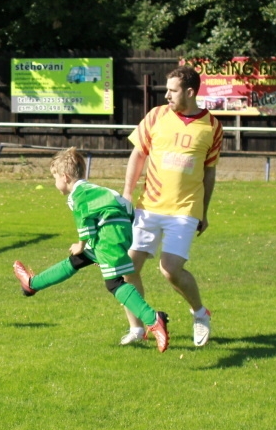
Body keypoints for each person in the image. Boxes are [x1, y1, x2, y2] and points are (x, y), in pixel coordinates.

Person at [12, 147, 170, 351]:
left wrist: (81, 243)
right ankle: (32, 283)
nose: (55, 183)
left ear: (65, 177)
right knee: (77, 260)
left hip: (109, 234)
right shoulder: (95, 189)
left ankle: (153, 319)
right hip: (117, 231)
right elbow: (125, 205)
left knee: (114, 284)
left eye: (54, 178)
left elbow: (84, 219)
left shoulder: (78, 195)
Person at [121, 65, 223, 348]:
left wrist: (204, 210)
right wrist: (127, 194)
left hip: (185, 210)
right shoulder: (155, 116)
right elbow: (137, 154)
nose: (166, 95)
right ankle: (138, 328)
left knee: (170, 270)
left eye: (172, 90)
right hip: (148, 206)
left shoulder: (212, 127)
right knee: (128, 267)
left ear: (189, 92)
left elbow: (209, 171)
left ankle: (200, 313)